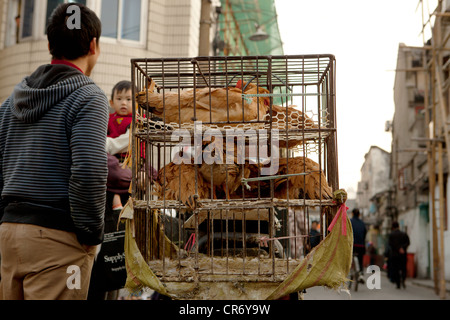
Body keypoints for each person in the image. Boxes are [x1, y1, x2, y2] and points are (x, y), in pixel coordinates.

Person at [0, 3, 108, 300]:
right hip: (58, 240)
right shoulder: (89, 96)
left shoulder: (12, 101)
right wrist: (89, 234)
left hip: (9, 234)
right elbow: (88, 170)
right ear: (93, 45)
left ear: (49, 44)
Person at [107, 80, 133, 212]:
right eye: (119, 99)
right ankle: (116, 204)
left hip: (131, 159)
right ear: (111, 103)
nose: (124, 103)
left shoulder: (136, 121)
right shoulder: (107, 119)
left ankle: (123, 205)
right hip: (113, 159)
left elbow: (128, 141)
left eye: (129, 99)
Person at [388, 221, 410, 289]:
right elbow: (408, 242)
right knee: (403, 268)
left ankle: (398, 284)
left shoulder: (391, 235)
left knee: (396, 269)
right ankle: (403, 279)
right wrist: (402, 248)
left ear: (392, 227)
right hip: (403, 255)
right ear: (399, 226)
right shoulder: (404, 234)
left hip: (395, 255)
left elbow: (390, 244)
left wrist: (398, 248)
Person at [350, 208, 367, 282]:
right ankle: (361, 274)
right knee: (360, 260)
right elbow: (365, 233)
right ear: (359, 215)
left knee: (350, 258)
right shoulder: (362, 223)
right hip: (361, 245)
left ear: (352, 214)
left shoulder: (350, 222)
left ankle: (350, 271)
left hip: (352, 245)